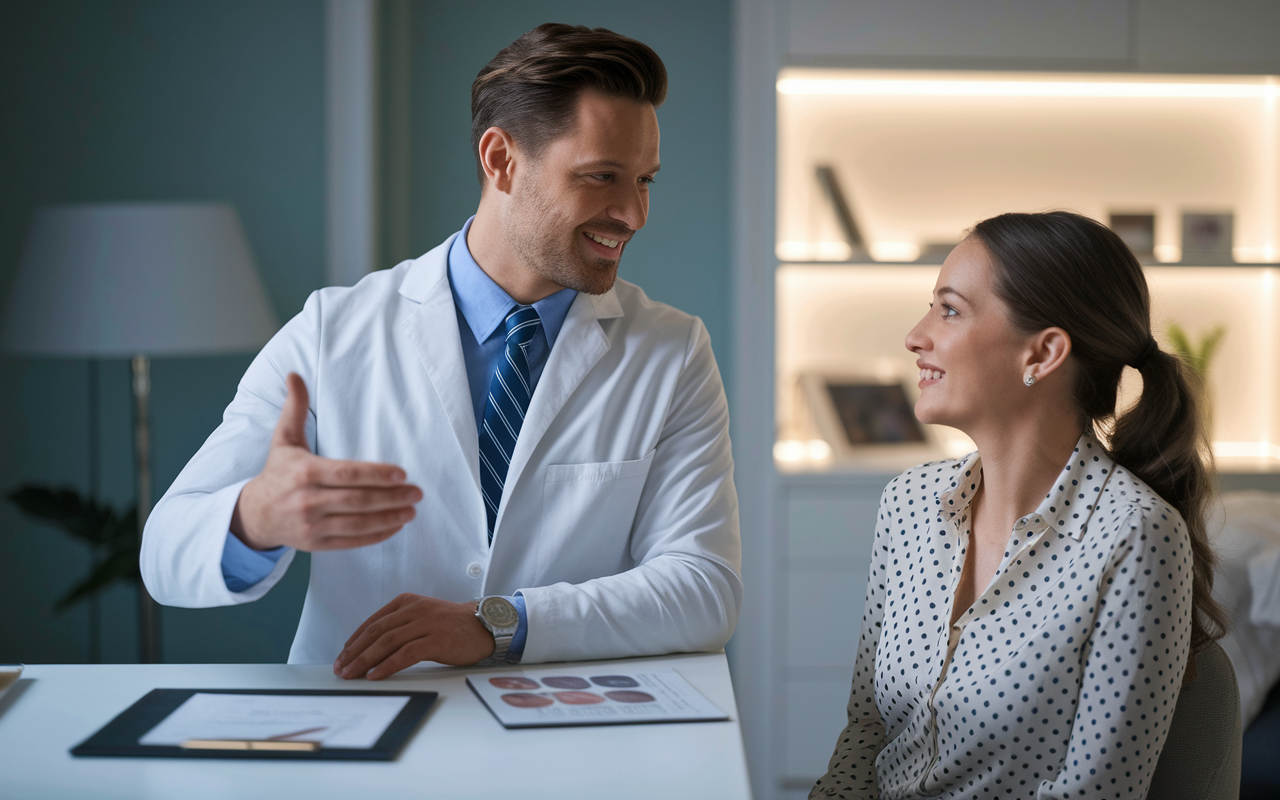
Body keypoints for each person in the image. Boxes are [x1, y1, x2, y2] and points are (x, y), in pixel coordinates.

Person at [140, 24, 741, 680]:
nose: (634, 213)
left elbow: (703, 587)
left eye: (645, 181)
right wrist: (257, 515)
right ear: (501, 160)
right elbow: (164, 555)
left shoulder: (672, 351)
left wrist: (497, 624)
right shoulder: (332, 332)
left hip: (565, 739)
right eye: (602, 177)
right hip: (371, 732)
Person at [810, 211, 1227, 799]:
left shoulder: (1137, 536)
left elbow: (1096, 792)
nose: (915, 335)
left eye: (949, 309)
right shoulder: (907, 503)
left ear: (1043, 354)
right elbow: (867, 733)